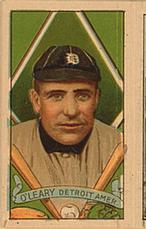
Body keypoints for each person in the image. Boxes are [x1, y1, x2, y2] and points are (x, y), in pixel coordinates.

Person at [11, 45, 122, 218]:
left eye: (82, 96)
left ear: (96, 99)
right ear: (36, 101)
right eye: (56, 95)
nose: (71, 111)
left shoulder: (119, 144)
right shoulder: (10, 143)